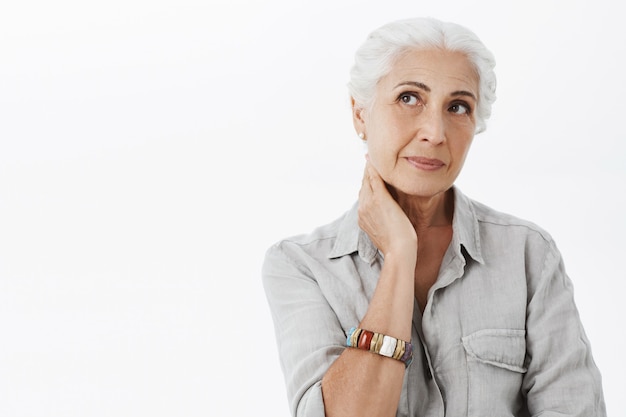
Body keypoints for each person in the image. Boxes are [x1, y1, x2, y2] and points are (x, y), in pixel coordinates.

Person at [262, 17, 606, 417]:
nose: (435, 131)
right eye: (409, 98)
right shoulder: (302, 267)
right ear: (360, 114)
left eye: (458, 107)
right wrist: (399, 256)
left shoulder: (528, 254)